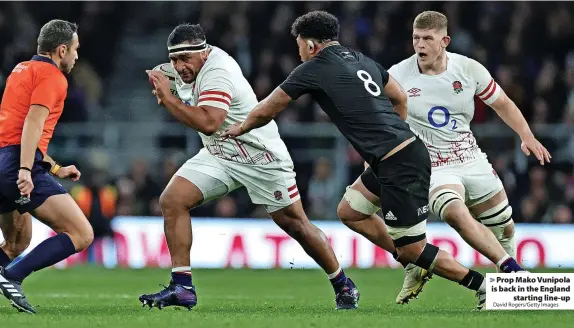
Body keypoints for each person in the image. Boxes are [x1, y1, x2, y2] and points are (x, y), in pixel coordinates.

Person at [223, 10, 494, 310]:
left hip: (401, 164)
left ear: (311, 45)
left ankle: (481, 286)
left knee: (414, 248)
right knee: (350, 211)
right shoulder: (360, 59)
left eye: (299, 44)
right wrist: (394, 136)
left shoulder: (313, 68)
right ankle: (410, 261)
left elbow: (267, 108)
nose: (299, 51)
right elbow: (400, 97)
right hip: (396, 156)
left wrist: (240, 127)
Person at [335, 11, 551, 307]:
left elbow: (502, 103)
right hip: (430, 164)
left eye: (427, 39)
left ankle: (506, 293)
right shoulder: (398, 74)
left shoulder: (469, 69)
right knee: (452, 211)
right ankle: (510, 272)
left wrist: (527, 136)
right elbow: (380, 118)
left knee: (504, 227)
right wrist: (375, 154)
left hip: (470, 157)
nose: (420, 45)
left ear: (444, 41)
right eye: (416, 38)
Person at [139, 23, 359, 311]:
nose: (179, 66)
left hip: (260, 157)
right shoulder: (177, 70)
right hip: (220, 151)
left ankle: (342, 283)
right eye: (175, 60)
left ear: (204, 53)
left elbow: (208, 121)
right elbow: (177, 90)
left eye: (185, 59)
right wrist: (164, 87)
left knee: (296, 225)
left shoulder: (218, 71)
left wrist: (168, 99)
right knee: (172, 200)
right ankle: (182, 287)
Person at [0, 19, 93, 314]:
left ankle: (9, 269)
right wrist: (26, 171)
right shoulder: (53, 77)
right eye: (75, 49)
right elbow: (32, 123)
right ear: (61, 50)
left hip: (4, 159)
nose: (77, 56)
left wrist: (56, 169)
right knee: (81, 233)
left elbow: (16, 129)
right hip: (16, 165)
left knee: (17, 243)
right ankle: (12, 276)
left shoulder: (22, 69)